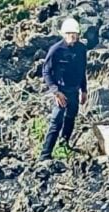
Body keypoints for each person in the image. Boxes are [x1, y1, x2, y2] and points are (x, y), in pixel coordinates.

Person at [38, 18, 88, 161]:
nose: (73, 37)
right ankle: (45, 155)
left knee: (71, 117)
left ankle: (64, 144)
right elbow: (46, 72)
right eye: (69, 34)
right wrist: (56, 91)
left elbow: (82, 70)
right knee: (56, 120)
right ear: (64, 34)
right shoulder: (56, 50)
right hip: (61, 91)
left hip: (74, 89)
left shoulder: (81, 49)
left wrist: (84, 90)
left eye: (75, 34)